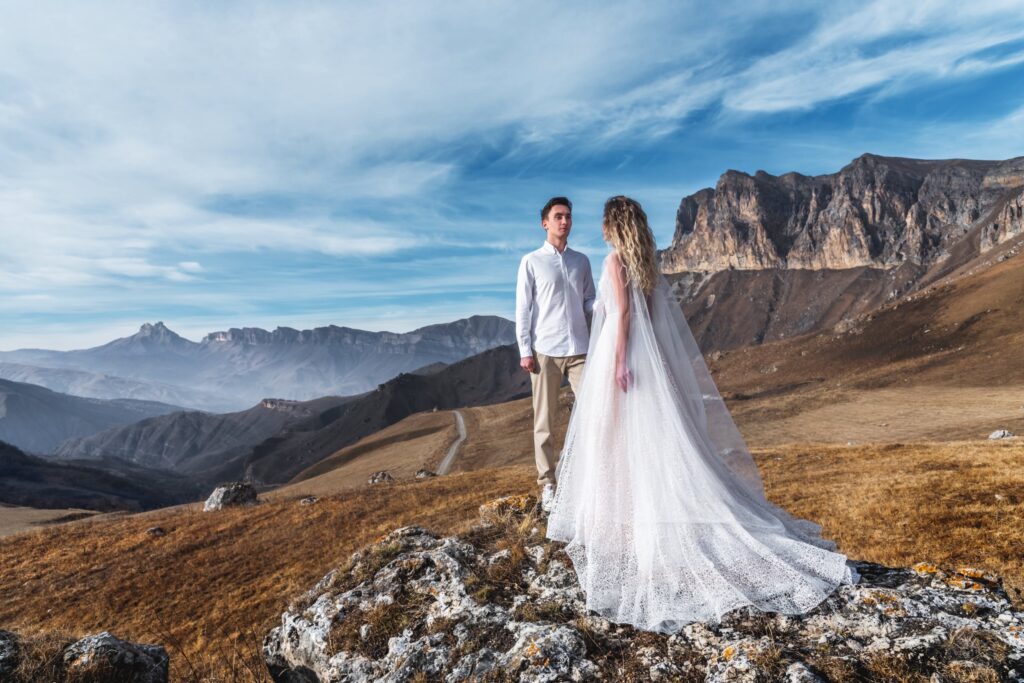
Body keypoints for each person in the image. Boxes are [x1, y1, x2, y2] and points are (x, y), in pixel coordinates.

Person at [546, 195, 858, 631]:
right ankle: (638, 513)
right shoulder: (645, 262)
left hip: (625, 358)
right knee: (651, 439)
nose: (598, 228)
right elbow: (650, 317)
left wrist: (619, 360)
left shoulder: (615, 261)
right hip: (647, 359)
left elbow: (625, 317)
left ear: (615, 225)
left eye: (603, 221)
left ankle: (624, 520)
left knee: (614, 437)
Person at [515, 197, 596, 512]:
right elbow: (523, 309)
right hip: (545, 350)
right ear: (545, 223)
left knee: (595, 413)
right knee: (544, 422)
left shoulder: (582, 261)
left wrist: (607, 306)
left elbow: (588, 300)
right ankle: (548, 484)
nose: (565, 221)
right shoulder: (531, 261)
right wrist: (525, 350)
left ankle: (589, 479)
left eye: (568, 217)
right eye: (558, 216)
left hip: (580, 350)